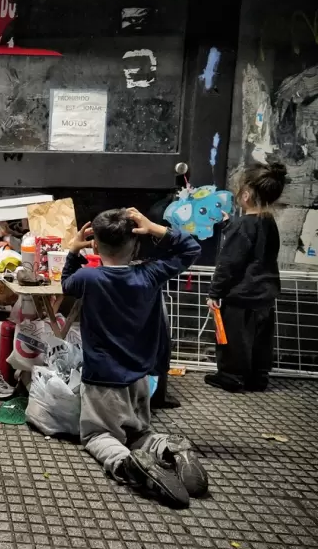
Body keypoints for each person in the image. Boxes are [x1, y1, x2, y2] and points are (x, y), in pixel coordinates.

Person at [62, 208, 207, 508]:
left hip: (102, 378)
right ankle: (168, 448)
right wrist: (156, 228)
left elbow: (67, 283)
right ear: (137, 244)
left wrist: (73, 251)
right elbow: (191, 249)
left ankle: (128, 465)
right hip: (141, 378)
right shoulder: (151, 273)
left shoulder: (88, 277)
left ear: (95, 245)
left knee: (97, 436)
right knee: (139, 432)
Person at [206, 162, 286, 392]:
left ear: (246, 195)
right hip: (264, 294)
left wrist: (214, 293)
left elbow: (229, 263)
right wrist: (229, 226)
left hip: (240, 296)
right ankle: (258, 377)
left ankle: (231, 376)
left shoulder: (242, 225)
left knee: (235, 338)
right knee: (261, 339)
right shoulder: (269, 222)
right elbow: (255, 246)